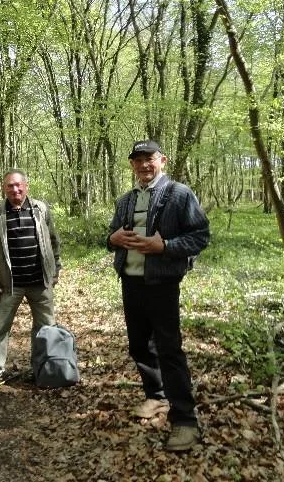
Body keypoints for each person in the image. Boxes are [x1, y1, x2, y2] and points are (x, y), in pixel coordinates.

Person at [107, 139, 210, 452]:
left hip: (162, 284)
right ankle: (156, 397)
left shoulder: (179, 194)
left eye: (149, 159)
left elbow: (200, 236)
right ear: (132, 165)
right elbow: (112, 237)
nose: (143, 165)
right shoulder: (126, 199)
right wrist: (112, 239)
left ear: (162, 160)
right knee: (139, 346)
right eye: (137, 160)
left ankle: (186, 421)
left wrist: (164, 247)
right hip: (131, 282)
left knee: (169, 350)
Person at [0, 169, 61, 389]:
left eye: (18, 185)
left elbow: (53, 241)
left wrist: (56, 269)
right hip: (8, 285)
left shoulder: (40, 209)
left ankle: (42, 368)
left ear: (26, 185)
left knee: (46, 328)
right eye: (9, 186)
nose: (15, 189)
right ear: (4, 189)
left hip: (40, 282)